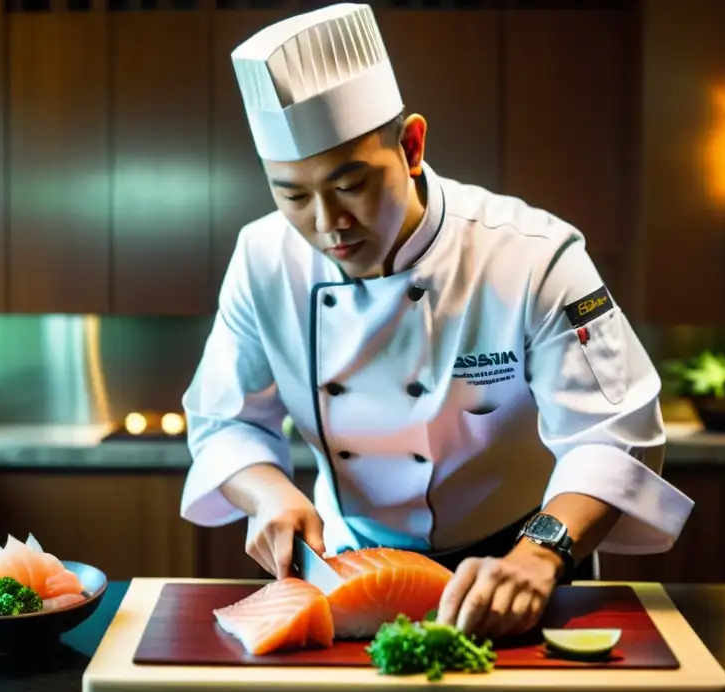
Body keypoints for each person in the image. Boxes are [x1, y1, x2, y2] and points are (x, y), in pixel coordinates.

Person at [180, 2, 693, 640]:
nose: (326, 223)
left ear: (412, 145)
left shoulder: (531, 255)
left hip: (521, 569)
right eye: (292, 195)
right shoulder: (262, 259)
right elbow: (225, 420)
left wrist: (539, 555)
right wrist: (270, 495)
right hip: (348, 570)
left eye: (350, 185)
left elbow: (612, 434)